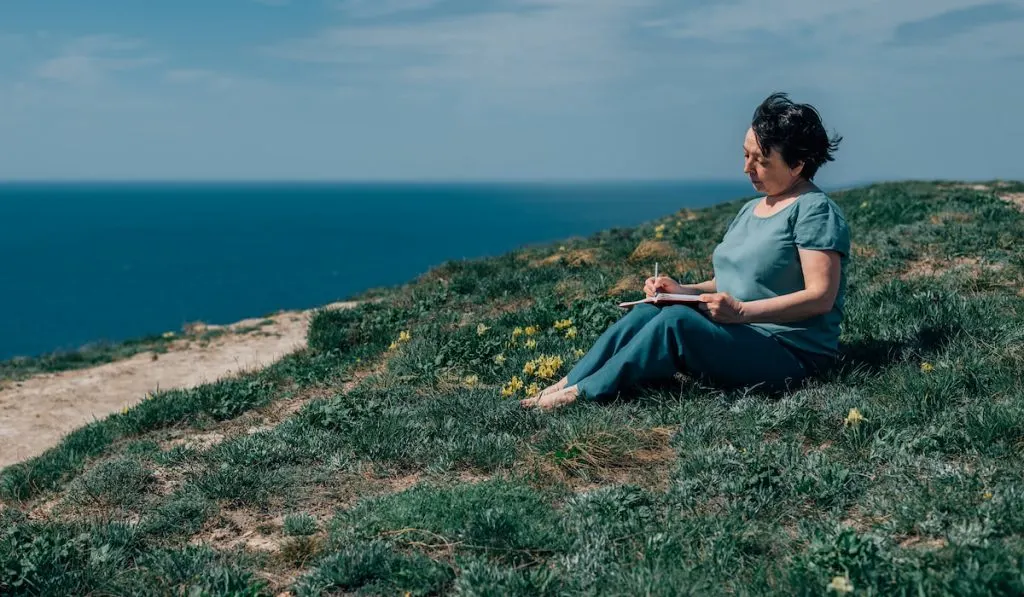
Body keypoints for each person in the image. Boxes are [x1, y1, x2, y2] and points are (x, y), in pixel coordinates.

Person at [522, 92, 849, 410]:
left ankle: (583, 393)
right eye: (745, 155)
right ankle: (570, 381)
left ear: (797, 165)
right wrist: (681, 290)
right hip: (741, 332)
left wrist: (743, 313)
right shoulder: (751, 209)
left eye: (761, 161)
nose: (746, 168)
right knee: (650, 311)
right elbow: (730, 283)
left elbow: (821, 296)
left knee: (677, 322)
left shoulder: (815, 210)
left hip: (790, 352)